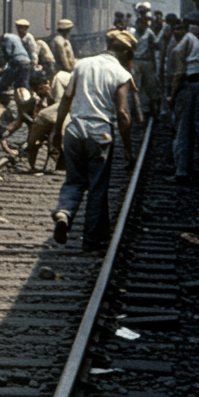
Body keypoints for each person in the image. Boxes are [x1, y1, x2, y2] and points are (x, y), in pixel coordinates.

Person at [50, 30, 136, 252]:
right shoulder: (121, 73)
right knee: (97, 187)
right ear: (126, 51)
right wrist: (128, 150)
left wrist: (57, 131)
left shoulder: (83, 64)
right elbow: (123, 114)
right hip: (100, 134)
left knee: (74, 180)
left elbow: (66, 98)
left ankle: (64, 212)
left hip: (75, 131)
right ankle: (91, 240)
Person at [168, 13, 199, 183]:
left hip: (189, 86)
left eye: (180, 28)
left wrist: (172, 96)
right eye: (175, 29)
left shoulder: (179, 47)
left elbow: (179, 74)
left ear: (186, 29)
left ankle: (181, 171)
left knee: (182, 129)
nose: (177, 32)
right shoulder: (195, 41)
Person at [24, 69, 72, 172]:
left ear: (43, 86)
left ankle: (31, 145)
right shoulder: (59, 78)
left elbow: (61, 107)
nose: (40, 94)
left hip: (76, 107)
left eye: (39, 90)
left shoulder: (58, 81)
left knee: (44, 118)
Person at [0, 20, 33, 103]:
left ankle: (0, 95)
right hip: (27, 61)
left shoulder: (6, 40)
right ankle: (28, 99)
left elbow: (8, 53)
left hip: (17, 61)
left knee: (6, 82)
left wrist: (2, 68)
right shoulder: (16, 37)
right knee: (24, 83)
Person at [131, 14, 159, 121]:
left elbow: (153, 49)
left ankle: (153, 108)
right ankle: (137, 110)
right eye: (140, 23)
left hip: (147, 62)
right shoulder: (132, 34)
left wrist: (154, 65)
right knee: (136, 86)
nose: (142, 26)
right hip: (136, 61)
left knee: (150, 85)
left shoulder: (149, 34)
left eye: (144, 23)